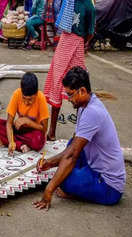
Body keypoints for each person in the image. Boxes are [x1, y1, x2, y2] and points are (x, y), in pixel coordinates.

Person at [34, 67, 125, 210]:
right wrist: (50, 163)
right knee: (72, 144)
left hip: (109, 187)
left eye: (70, 95)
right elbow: (73, 146)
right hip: (95, 168)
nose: (68, 99)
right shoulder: (85, 105)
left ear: (82, 91)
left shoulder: (92, 112)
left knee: (65, 181)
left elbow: (71, 155)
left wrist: (48, 191)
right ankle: (79, 180)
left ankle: (75, 190)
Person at [43, 0, 95, 141]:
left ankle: (77, 132)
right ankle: (52, 131)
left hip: (76, 44)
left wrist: (81, 43)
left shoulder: (88, 6)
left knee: (79, 89)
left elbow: (90, 32)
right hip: (65, 41)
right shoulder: (70, 1)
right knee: (57, 85)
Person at [0, 72, 49, 154]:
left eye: (30, 99)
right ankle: (20, 145)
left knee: (38, 140)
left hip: (33, 132)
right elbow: (9, 123)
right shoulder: (17, 94)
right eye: (24, 98)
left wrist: (28, 122)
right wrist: (11, 141)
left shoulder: (41, 98)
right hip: (19, 129)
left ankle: (7, 140)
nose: (26, 102)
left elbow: (44, 128)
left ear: (36, 94)